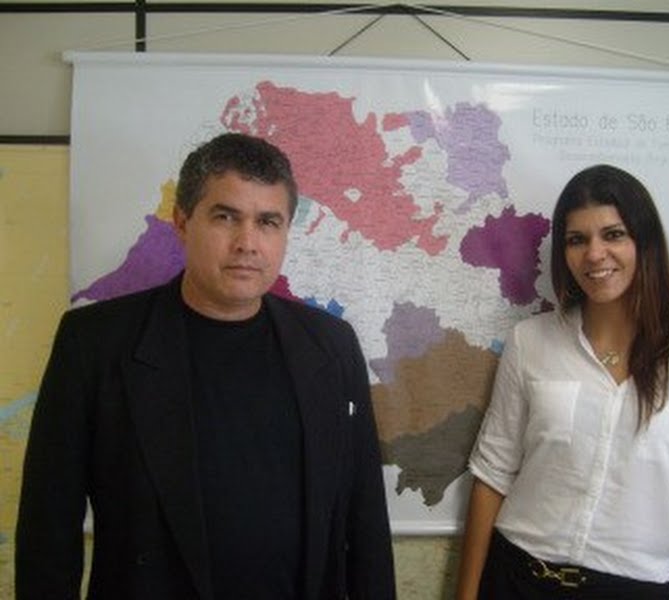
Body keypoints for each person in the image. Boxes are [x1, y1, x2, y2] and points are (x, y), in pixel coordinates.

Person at [16, 132, 396, 599]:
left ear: (285, 233)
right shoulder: (93, 344)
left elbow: (365, 517)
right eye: (225, 217)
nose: (247, 243)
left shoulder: (332, 346)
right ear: (182, 222)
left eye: (268, 222)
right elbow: (48, 529)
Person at [455, 164, 669, 600]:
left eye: (613, 235)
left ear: (644, 242)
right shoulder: (530, 342)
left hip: (634, 590)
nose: (594, 254)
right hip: (518, 579)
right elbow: (493, 475)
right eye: (577, 240)